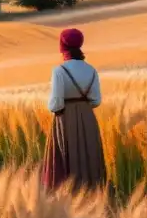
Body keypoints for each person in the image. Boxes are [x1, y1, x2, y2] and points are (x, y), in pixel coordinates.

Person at [41, 28, 107, 191]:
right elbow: (96, 100)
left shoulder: (59, 71)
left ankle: (67, 195)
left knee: (66, 158)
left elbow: (56, 104)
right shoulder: (91, 70)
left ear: (62, 46)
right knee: (89, 155)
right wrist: (82, 107)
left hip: (66, 118)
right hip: (88, 118)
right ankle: (92, 194)